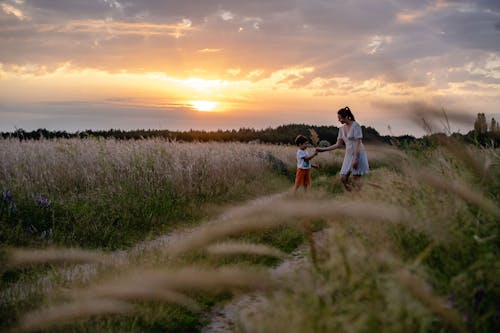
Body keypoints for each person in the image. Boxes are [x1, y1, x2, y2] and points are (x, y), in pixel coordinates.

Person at [316, 106, 369, 191]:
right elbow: (338, 144)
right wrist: (323, 150)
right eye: (338, 118)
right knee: (343, 178)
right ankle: (352, 194)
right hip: (348, 155)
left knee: (356, 177)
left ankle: (360, 196)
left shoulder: (356, 126)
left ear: (346, 117)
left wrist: (356, 158)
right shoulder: (341, 129)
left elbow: (358, 143)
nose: (339, 120)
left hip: (358, 154)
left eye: (340, 118)